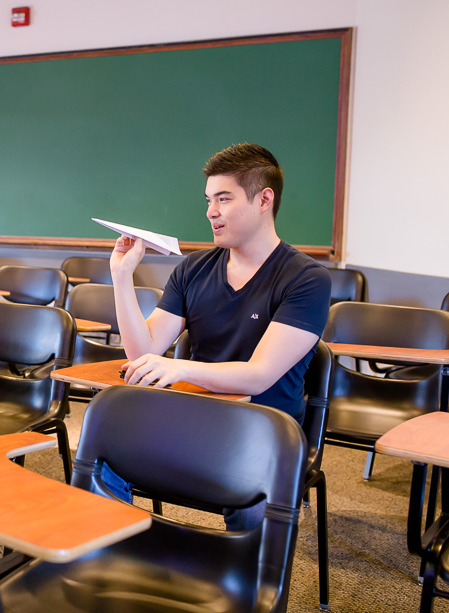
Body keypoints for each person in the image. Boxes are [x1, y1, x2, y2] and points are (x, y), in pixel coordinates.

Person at [107, 143, 331, 529]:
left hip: (264, 430)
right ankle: (114, 560)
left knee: (251, 499)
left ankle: (244, 585)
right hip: (197, 417)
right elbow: (142, 351)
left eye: (223, 199)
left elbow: (259, 375)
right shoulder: (193, 269)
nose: (211, 211)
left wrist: (179, 368)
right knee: (105, 450)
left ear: (264, 200)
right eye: (209, 200)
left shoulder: (307, 279)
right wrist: (122, 278)